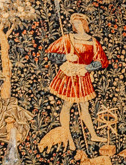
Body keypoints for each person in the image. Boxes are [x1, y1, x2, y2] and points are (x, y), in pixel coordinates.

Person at [43, 13, 108, 151]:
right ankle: (68, 137)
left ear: (84, 24)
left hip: (83, 75)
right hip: (69, 74)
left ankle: (93, 135)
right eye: (74, 24)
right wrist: (66, 57)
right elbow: (50, 53)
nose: (76, 26)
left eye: (78, 23)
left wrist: (87, 68)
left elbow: (102, 61)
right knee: (67, 104)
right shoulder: (68, 38)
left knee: (84, 105)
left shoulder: (92, 41)